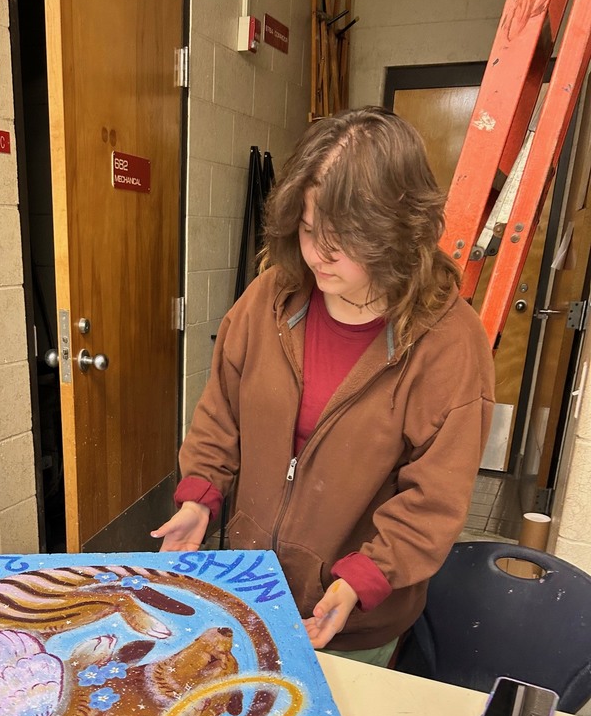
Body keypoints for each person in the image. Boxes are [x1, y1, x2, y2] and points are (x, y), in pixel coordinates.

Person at [151, 106, 495, 665]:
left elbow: (435, 498)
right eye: (309, 230)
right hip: (250, 586)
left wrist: (364, 578)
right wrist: (200, 496)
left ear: (397, 230)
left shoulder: (450, 343)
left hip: (351, 617)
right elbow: (222, 413)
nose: (318, 255)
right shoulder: (270, 297)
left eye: (343, 239)